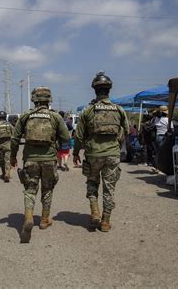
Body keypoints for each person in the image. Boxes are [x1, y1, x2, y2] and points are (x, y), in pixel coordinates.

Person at [10, 86, 70, 243]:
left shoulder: (25, 116)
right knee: (47, 189)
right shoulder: (55, 117)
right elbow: (66, 137)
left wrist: (12, 157)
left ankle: (29, 217)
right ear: (49, 100)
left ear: (34, 99)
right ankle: (44, 220)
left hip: (30, 159)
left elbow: (15, 138)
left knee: (30, 190)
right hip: (49, 159)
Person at [73, 71, 129, 232]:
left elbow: (79, 136)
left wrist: (76, 153)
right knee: (109, 188)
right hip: (112, 155)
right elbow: (125, 131)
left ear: (95, 90)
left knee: (92, 184)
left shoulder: (88, 110)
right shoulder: (118, 110)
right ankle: (105, 221)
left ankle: (95, 212)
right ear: (109, 90)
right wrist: (116, 143)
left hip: (93, 155)